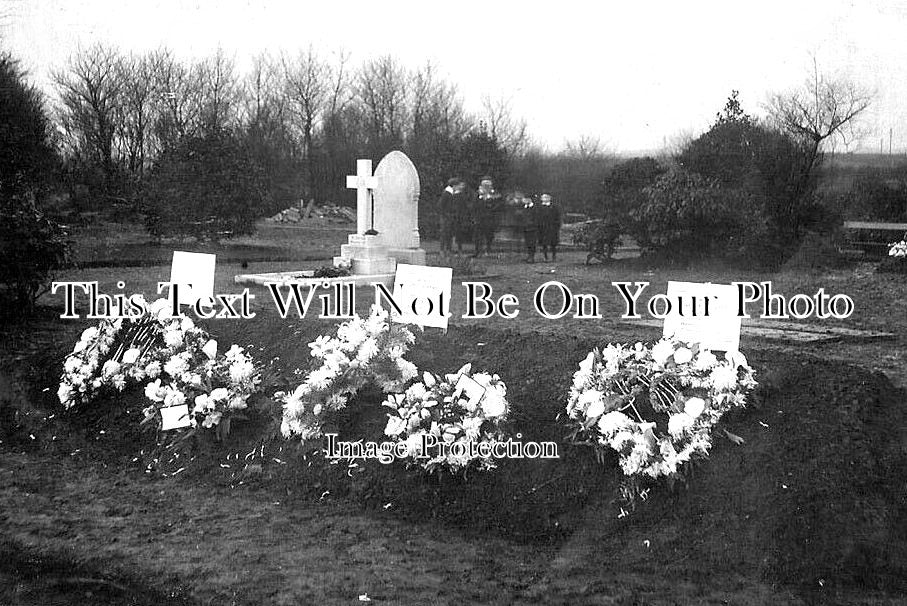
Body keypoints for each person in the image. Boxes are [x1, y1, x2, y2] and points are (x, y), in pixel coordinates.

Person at [472, 176, 503, 257]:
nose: (486, 186)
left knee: (489, 235)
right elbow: (473, 205)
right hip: (479, 218)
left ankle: (488, 250)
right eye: (484, 184)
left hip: (490, 218)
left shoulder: (495, 193)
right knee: (478, 235)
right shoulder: (477, 194)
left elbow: (499, 204)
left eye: (488, 184)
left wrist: (492, 206)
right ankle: (478, 251)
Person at [437, 177, 465, 256]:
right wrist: (445, 214)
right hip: (446, 217)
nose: (459, 187)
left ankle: (448, 250)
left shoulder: (453, 193)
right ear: (454, 185)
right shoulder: (446, 193)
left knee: (449, 234)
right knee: (444, 233)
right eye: (458, 185)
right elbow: (441, 205)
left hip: (451, 216)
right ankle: (442, 250)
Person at [538, 193, 562, 261]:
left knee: (553, 243)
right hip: (543, 227)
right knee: (544, 243)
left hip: (552, 227)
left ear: (549, 198)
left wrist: (557, 225)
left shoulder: (554, 207)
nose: (544, 199)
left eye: (546, 197)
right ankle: (545, 256)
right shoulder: (539, 208)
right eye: (543, 197)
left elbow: (558, 217)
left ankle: (554, 256)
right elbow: (538, 217)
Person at [517, 193, 540, 263]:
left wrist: (533, 224)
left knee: (532, 243)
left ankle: (532, 256)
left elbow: (537, 218)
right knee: (527, 242)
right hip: (525, 228)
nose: (525, 200)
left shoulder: (535, 208)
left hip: (533, 228)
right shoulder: (524, 207)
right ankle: (529, 256)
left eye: (526, 199)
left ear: (530, 200)